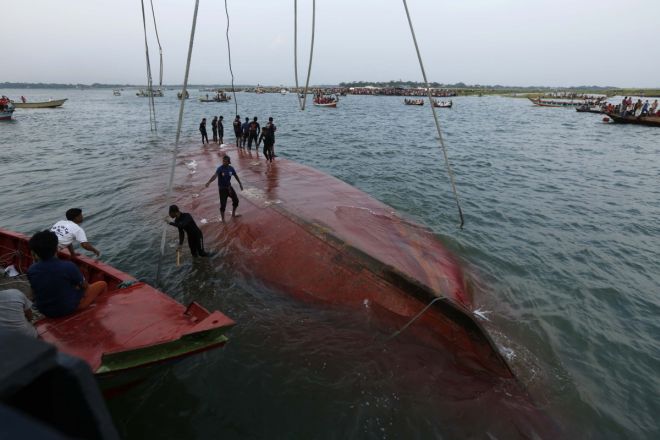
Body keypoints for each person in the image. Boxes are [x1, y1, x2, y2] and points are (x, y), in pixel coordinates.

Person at [26, 230, 107, 318]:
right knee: (102, 284)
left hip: (46, 311)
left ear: (35, 253)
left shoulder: (31, 270)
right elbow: (85, 287)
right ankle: (101, 312)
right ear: (56, 248)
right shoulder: (68, 266)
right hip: (69, 309)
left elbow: (35, 290)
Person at [205, 155, 243, 222]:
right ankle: (223, 220)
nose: (223, 162)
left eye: (225, 161)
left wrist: (240, 183)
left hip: (229, 188)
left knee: (236, 201)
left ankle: (233, 214)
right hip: (222, 189)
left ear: (228, 162)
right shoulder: (220, 168)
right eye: (223, 161)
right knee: (223, 205)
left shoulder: (231, 168)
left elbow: (236, 176)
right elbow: (215, 176)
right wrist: (209, 182)